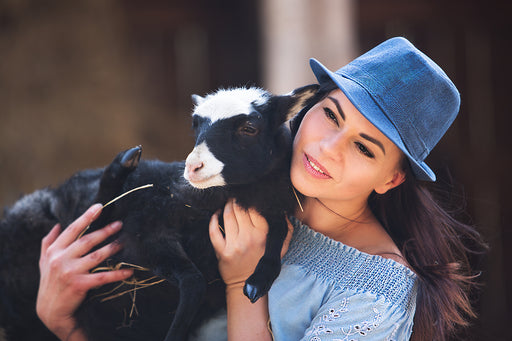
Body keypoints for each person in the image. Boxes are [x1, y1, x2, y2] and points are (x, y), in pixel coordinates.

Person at [37, 37, 485, 341]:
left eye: (364, 148)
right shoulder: (236, 195)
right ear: (304, 105)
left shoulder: (376, 295)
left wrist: (240, 284)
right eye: (331, 115)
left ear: (391, 177)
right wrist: (63, 322)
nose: (327, 149)